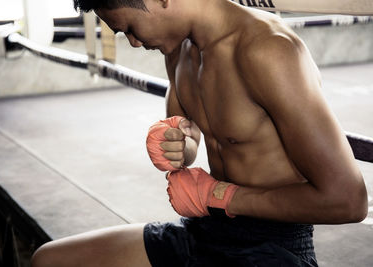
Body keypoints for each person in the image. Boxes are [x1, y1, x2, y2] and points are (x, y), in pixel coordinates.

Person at [31, 0, 368, 266]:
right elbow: (189, 138)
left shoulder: (268, 50)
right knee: (50, 260)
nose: (133, 43)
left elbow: (348, 201)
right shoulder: (178, 50)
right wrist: (177, 144)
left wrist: (217, 195)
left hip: (274, 249)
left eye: (130, 28)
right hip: (204, 232)